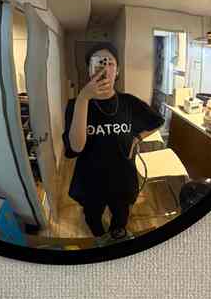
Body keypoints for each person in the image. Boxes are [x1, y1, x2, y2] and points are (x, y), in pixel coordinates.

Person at [63, 42, 164, 240]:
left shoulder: (129, 102)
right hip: (91, 179)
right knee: (92, 215)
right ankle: (99, 237)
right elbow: (76, 146)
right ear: (90, 70)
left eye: (110, 63)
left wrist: (138, 137)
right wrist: (84, 98)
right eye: (99, 63)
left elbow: (157, 121)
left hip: (122, 178)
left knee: (121, 216)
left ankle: (117, 234)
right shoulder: (76, 104)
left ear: (117, 71)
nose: (105, 68)